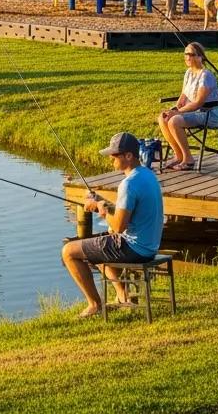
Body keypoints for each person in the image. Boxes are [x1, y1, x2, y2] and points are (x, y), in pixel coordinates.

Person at [61, 132, 164, 318]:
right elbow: (127, 213)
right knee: (94, 245)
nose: (111, 159)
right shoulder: (147, 175)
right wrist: (101, 201)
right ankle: (123, 296)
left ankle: (94, 305)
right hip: (149, 245)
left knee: (69, 251)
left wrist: (100, 209)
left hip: (135, 248)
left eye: (114, 155)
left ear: (128, 156)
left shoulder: (128, 184)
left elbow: (118, 227)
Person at [157, 41, 218, 171]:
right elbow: (183, 95)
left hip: (207, 113)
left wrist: (178, 113)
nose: (187, 57)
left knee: (175, 121)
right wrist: (176, 108)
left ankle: (188, 159)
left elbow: (198, 102)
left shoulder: (206, 76)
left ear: (200, 57)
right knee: (163, 118)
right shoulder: (188, 73)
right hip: (191, 111)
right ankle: (178, 155)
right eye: (185, 53)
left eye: (191, 54)